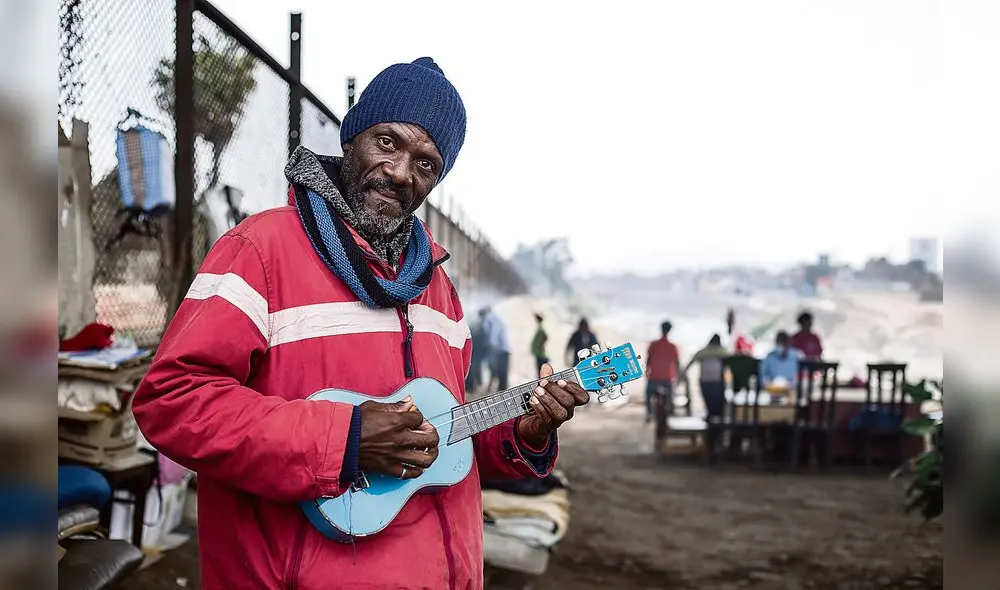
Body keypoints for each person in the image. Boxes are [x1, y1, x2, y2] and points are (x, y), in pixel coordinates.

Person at [130, 57, 590, 590]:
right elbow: (172, 402)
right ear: (352, 137)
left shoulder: (437, 285)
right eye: (388, 142)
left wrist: (522, 432)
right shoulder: (260, 250)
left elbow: (443, 436)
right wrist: (343, 439)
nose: (400, 173)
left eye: (425, 163)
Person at [681, 334, 729, 419]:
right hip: (718, 382)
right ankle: (717, 423)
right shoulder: (723, 352)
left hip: (705, 381)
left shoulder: (703, 352)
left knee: (709, 403)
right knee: (718, 405)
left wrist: (683, 374)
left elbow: (690, 363)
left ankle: (711, 420)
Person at [645, 321, 681, 422]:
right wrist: (678, 376)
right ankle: (670, 412)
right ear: (669, 330)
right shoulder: (672, 346)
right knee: (669, 397)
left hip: (654, 377)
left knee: (648, 394)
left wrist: (647, 372)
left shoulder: (654, 344)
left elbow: (649, 359)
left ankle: (649, 414)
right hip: (667, 378)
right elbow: (677, 362)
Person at [480, 306, 511, 391]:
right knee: (502, 373)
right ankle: (502, 391)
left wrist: (491, 348)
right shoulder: (497, 318)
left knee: (497, 370)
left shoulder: (489, 319)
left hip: (499, 350)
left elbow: (493, 336)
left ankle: (501, 391)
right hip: (505, 348)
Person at [466, 308, 492, 393]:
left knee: (474, 368)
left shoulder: (482, 324)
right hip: (475, 351)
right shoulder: (480, 325)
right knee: (475, 368)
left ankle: (473, 386)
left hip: (475, 351)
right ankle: (474, 386)